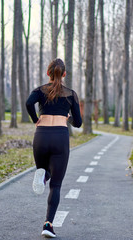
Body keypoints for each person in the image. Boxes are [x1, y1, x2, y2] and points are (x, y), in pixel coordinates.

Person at [26, 58, 82, 238]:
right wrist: (68, 118)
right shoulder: (71, 94)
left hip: (41, 136)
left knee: (43, 169)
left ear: (48, 73)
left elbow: (28, 103)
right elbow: (79, 123)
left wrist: (36, 120)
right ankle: (48, 225)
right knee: (56, 185)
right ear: (64, 74)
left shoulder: (40, 90)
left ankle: (42, 175)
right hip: (60, 137)